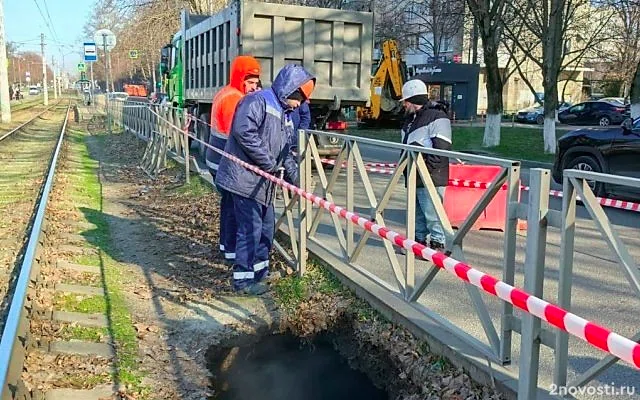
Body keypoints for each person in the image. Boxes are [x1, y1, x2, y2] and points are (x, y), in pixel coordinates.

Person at [215, 64, 315, 294]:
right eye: (299, 99)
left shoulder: (285, 115)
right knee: (250, 229)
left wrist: (299, 182)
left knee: (266, 229)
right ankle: (243, 281)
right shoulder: (257, 101)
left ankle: (260, 272)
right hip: (244, 181)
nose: (300, 105)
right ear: (290, 91)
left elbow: (286, 151)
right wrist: (269, 164)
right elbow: (243, 132)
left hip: (263, 184)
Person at [205, 56, 261, 263]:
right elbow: (238, 135)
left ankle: (225, 246)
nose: (254, 87)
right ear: (241, 78)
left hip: (217, 159)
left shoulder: (228, 92)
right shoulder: (233, 99)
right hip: (223, 161)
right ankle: (231, 250)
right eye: (251, 82)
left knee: (228, 205)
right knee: (234, 208)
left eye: (257, 82)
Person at [399, 79, 452, 251]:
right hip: (414, 175)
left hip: (431, 177)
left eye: (405, 101)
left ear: (413, 100)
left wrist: (425, 171)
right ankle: (418, 245)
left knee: (433, 216)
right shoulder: (410, 120)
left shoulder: (438, 116)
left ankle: (438, 248)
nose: (404, 105)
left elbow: (442, 149)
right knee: (417, 216)